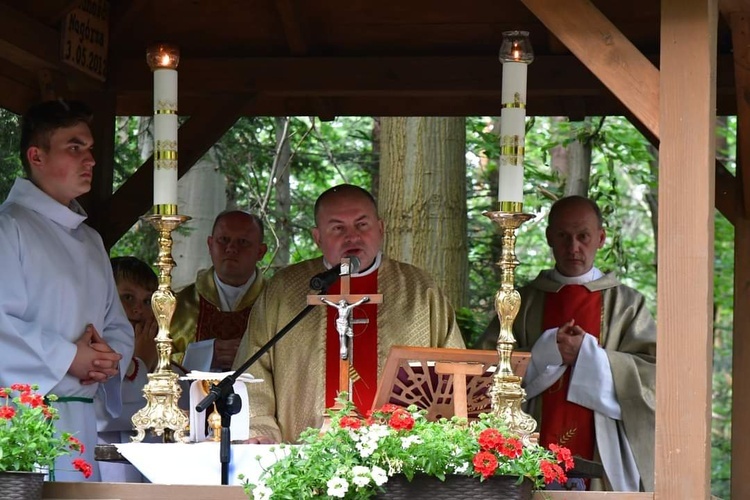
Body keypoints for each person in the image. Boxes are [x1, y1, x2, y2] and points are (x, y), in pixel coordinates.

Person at [234, 184, 465, 443]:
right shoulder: (285, 290)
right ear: (318, 237)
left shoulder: (421, 291)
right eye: (337, 228)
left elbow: (454, 369)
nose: (352, 236)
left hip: (403, 459)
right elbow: (252, 370)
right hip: (299, 453)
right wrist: (260, 429)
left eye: (362, 225)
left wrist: (446, 438)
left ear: (381, 228)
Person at [478, 196, 656, 492]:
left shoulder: (627, 305)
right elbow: (484, 371)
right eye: (563, 236)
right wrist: (547, 350)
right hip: (528, 439)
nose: (574, 247)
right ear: (549, 237)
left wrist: (589, 357)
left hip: (602, 447)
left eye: (583, 236)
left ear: (600, 238)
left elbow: (653, 376)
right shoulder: (519, 302)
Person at [0, 99, 134, 481]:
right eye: (74, 147)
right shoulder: (9, 229)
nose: (89, 159)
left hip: (81, 421)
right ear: (36, 156)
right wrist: (68, 357)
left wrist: (109, 358)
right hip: (23, 420)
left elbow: (117, 325)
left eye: (90, 149)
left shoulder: (91, 240)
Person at [170, 210, 267, 371]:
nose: (231, 248)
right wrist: (205, 355)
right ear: (210, 244)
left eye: (243, 242)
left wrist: (249, 355)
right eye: (224, 240)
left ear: (260, 252)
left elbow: (291, 358)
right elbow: (154, 361)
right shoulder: (178, 305)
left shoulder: (276, 303)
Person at [95, 257, 159, 483]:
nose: (137, 310)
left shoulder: (166, 364)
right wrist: (141, 361)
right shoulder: (93, 354)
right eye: (128, 297)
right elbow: (102, 413)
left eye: (147, 301)